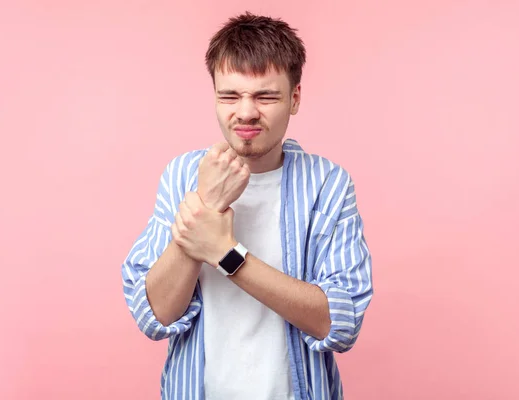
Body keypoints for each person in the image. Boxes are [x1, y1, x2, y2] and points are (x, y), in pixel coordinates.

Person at [121, 12, 373, 400]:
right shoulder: (182, 176)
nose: (246, 112)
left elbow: (339, 322)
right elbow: (154, 314)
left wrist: (225, 253)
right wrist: (207, 204)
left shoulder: (328, 184)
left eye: (265, 95)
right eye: (230, 95)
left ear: (295, 98)